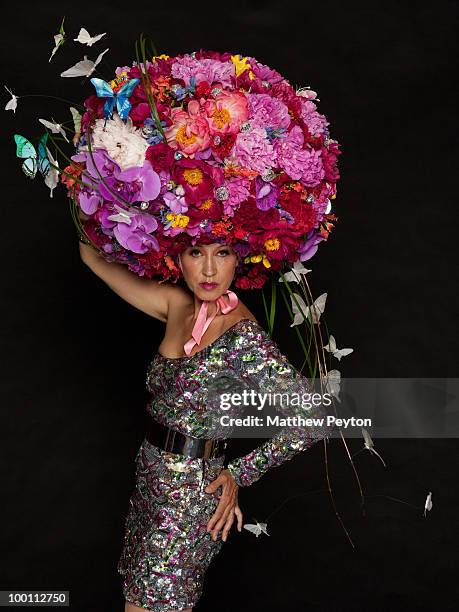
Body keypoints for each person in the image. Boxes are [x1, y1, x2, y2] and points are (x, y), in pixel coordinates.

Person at [79, 238, 330, 612]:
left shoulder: (242, 336)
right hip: (149, 482)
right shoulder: (176, 305)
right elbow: (92, 256)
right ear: (178, 257)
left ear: (239, 260)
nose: (209, 270)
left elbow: (314, 420)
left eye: (223, 253)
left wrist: (239, 473)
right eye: (197, 252)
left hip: (191, 497)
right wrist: (91, 185)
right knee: (139, 599)